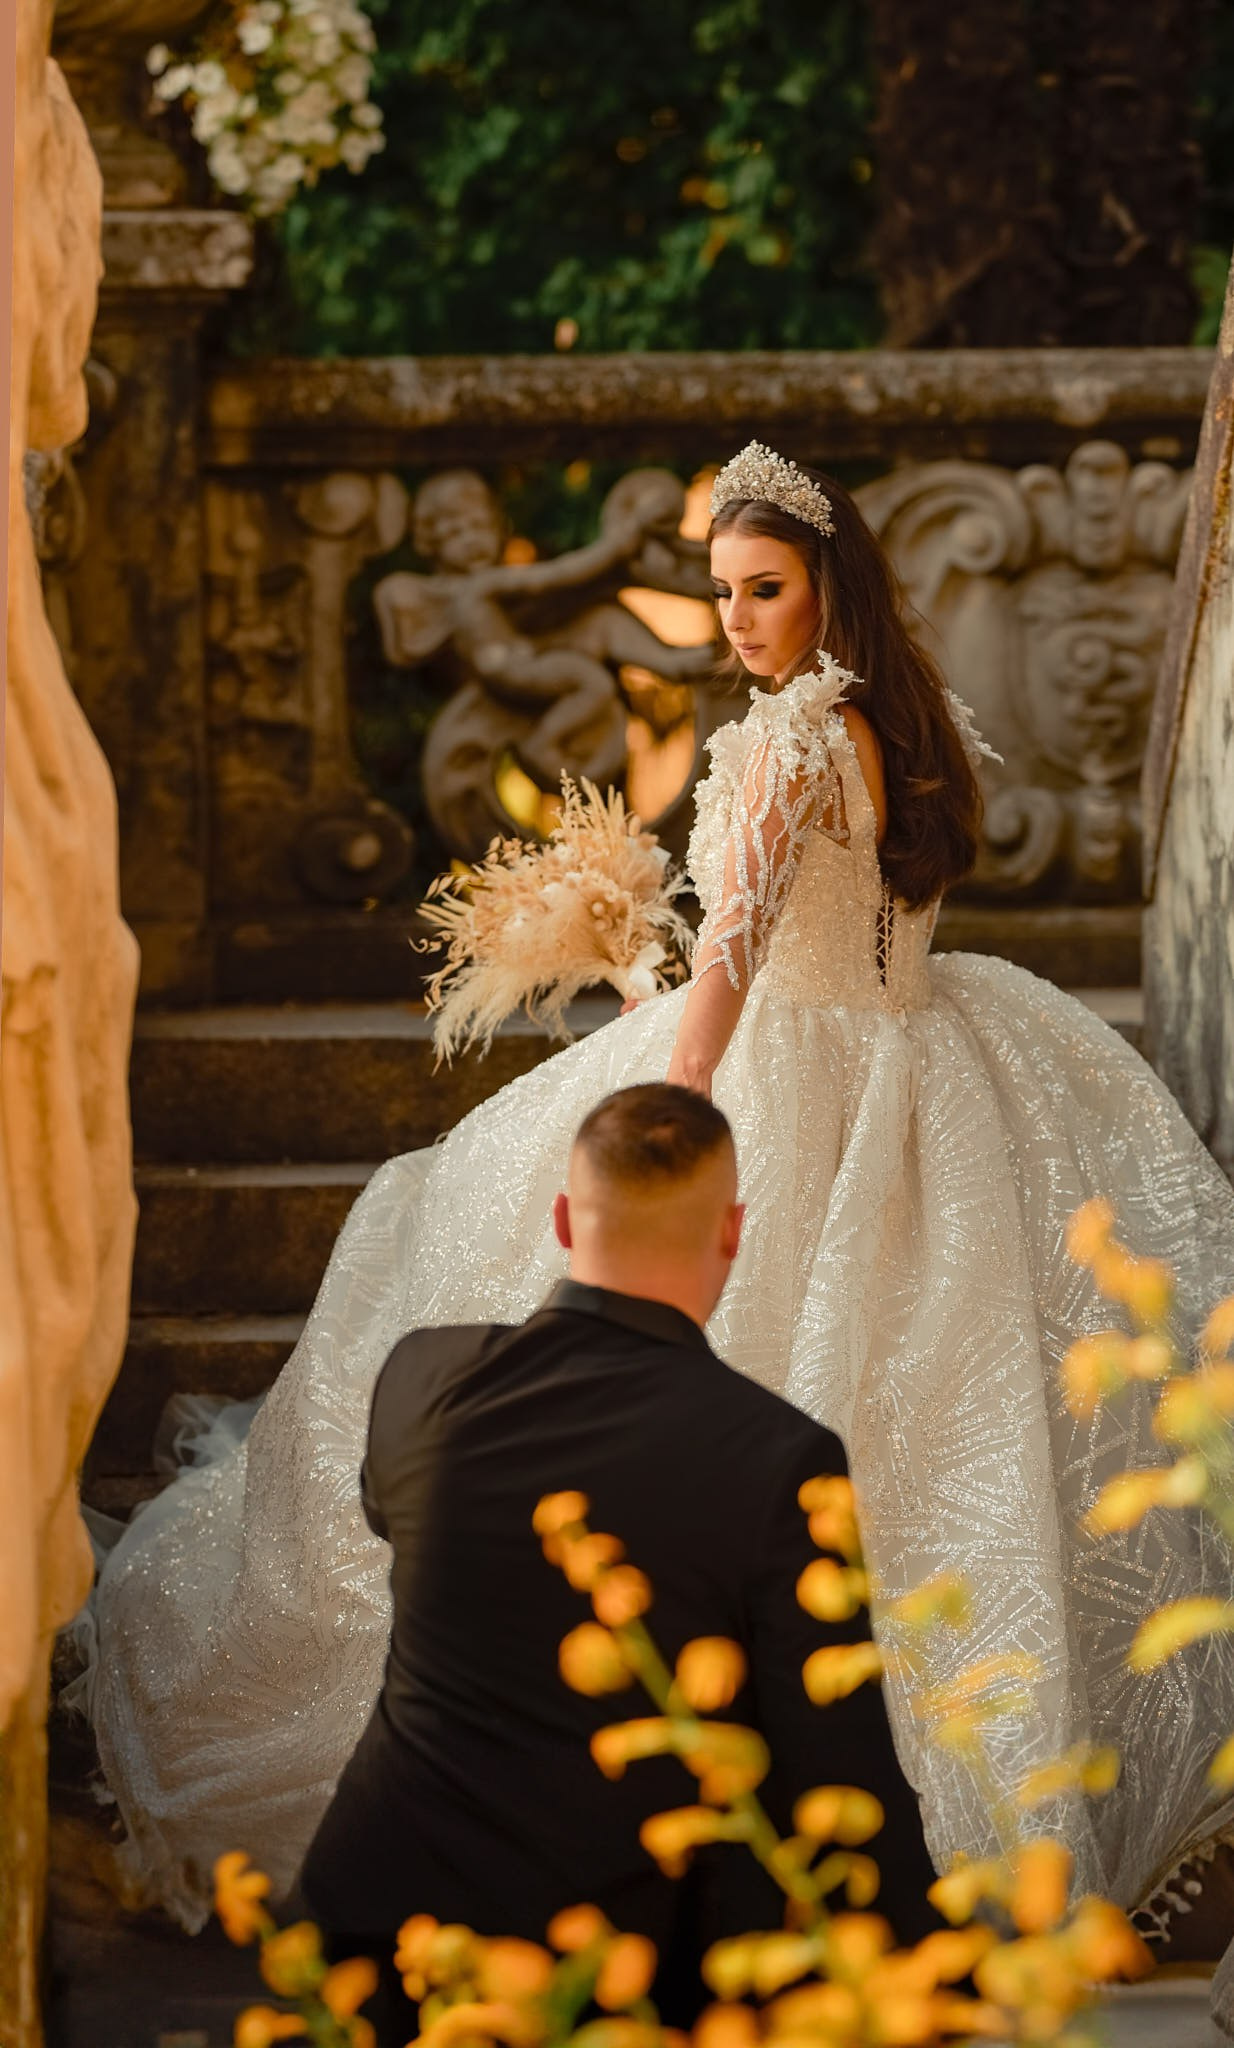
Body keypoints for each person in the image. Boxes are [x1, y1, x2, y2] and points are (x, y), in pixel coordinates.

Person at [78, 440, 1234, 1960]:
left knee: (461, 1228)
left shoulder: (782, 738)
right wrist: (640, 964)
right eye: (723, 595)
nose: (741, 619)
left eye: (765, 591)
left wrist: (664, 1097)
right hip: (922, 1056)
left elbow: (742, 958)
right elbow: (835, 931)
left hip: (781, 1067)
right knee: (944, 1403)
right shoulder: (907, 718)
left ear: (828, 589)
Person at [297, 1086, 938, 2031]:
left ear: (562, 1220)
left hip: (378, 1929)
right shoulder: (780, 1455)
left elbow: (386, 1514)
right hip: (628, 1959)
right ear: (733, 1232)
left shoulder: (421, 1377)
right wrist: (939, 1986)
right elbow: (836, 1760)